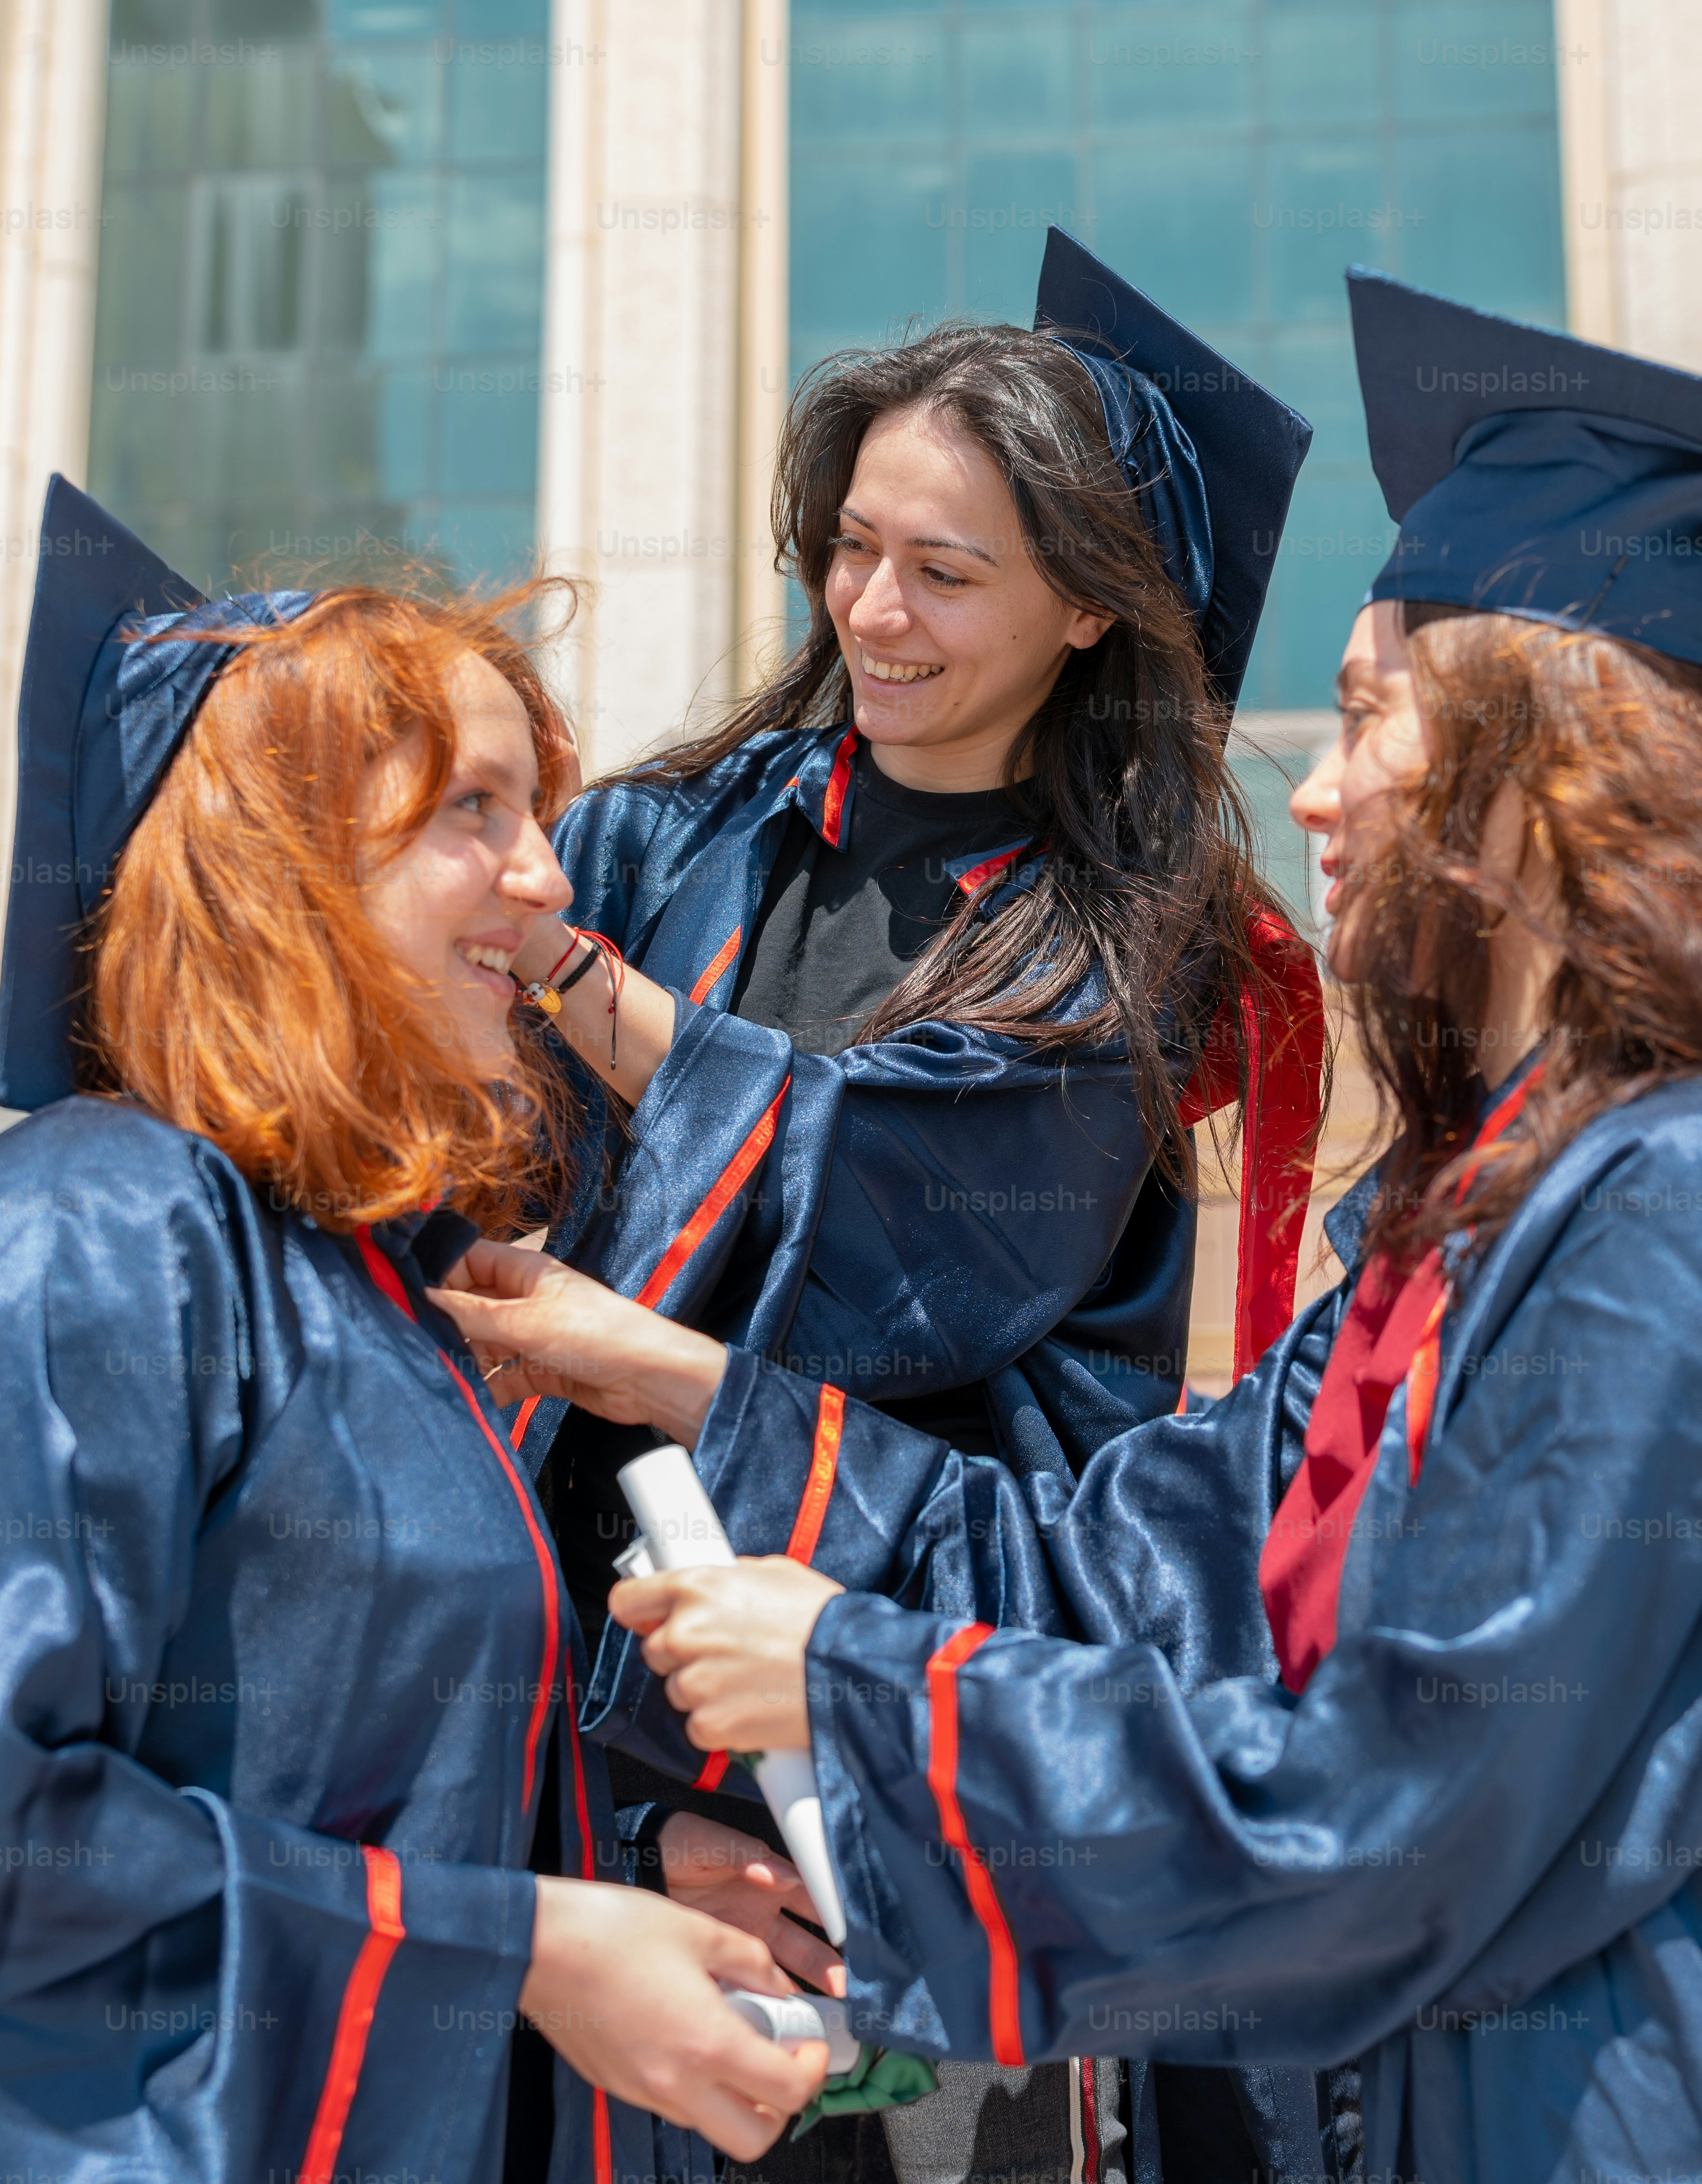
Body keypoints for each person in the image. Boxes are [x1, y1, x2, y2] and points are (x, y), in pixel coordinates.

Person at [437, 273, 1702, 2183]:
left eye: (1372, 715)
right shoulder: (1484, 1210)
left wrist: (867, 1689)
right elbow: (1137, 1556)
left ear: (1552, 777)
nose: (1316, 786)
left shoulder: (1694, 1211)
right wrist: (693, 1399)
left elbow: (1400, 1806)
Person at [0, 481, 828, 2183]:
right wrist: (526, 1950)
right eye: (470, 811)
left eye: (533, 806)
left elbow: (333, 1789)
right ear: (282, 876)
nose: (547, 876)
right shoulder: (80, 1230)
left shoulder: (382, 1285)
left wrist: (604, 1899)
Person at [508, 233, 1331, 2182]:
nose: (872, 609)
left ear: (1084, 616)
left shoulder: (1118, 947)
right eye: (852, 544)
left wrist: (569, 982)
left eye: (945, 572)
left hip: (913, 1765)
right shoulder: (667, 836)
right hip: (602, 1750)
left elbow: (893, 1224)